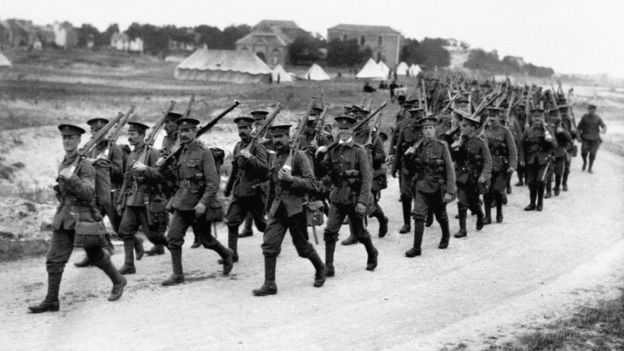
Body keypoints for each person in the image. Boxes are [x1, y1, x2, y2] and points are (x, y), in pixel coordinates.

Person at [29, 124, 126, 313]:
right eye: (64, 138)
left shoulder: (86, 165)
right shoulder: (65, 162)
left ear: (79, 140)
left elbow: (89, 193)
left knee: (95, 255)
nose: (67, 141)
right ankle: (51, 301)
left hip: (82, 218)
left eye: (71, 138)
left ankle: (118, 280)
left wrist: (71, 178)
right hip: (65, 216)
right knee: (54, 260)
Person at [158, 118, 234, 285]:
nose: (183, 134)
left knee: (206, 240)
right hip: (181, 202)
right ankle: (178, 275)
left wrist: (203, 203)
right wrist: (163, 166)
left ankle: (226, 254)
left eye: (187, 131)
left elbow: (213, 183)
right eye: (181, 131)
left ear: (194, 132)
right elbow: (175, 177)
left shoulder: (204, 153)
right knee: (173, 238)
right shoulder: (180, 151)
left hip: (197, 205)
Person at [253, 125, 326, 296]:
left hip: (296, 210)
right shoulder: (274, 157)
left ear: (289, 137)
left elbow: (311, 183)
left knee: (302, 248)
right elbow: (272, 185)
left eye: (280, 137)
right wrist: (268, 207)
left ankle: (320, 268)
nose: (277, 140)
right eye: (275, 137)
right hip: (277, 209)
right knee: (269, 245)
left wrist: (292, 179)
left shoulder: (299, 157)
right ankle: (270, 284)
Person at [317, 116, 378, 277]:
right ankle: (328, 266)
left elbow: (367, 178)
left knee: (359, 232)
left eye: (346, 129)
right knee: (330, 231)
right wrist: (319, 156)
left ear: (352, 130)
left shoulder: (359, 151)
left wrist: (363, 201)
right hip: (337, 197)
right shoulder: (333, 149)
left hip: (354, 198)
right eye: (340, 129)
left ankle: (372, 253)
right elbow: (325, 171)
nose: (343, 132)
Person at [116, 121, 170, 274]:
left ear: (142, 135)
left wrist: (146, 169)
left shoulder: (153, 153)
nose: (130, 137)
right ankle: (129, 265)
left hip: (147, 200)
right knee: (125, 231)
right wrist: (121, 201)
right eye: (129, 134)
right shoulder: (132, 154)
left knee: (154, 235)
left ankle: (174, 249)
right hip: (132, 200)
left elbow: (162, 176)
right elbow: (127, 179)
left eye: (133, 134)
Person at [73, 117, 124, 267]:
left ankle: (137, 243)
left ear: (106, 132)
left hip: (110, 193)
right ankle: (93, 255)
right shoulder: (90, 148)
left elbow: (119, 173)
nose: (96, 133)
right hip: (93, 193)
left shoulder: (114, 148)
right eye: (93, 130)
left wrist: (106, 164)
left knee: (120, 228)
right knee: (89, 227)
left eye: (99, 130)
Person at [403, 116, 456, 257]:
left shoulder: (442, 146)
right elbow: (410, 168)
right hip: (421, 186)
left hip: (437, 187)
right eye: (425, 128)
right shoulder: (418, 146)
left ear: (435, 129)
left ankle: (446, 236)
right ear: (422, 131)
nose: (428, 131)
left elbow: (450, 169)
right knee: (418, 216)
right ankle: (416, 248)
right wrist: (407, 156)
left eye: (430, 128)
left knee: (441, 215)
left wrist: (450, 190)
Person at [224, 116, 269, 262]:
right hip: (240, 191)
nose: (242, 131)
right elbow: (235, 169)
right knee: (232, 222)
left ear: (251, 129)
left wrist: (250, 157)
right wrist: (228, 187)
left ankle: (273, 244)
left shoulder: (258, 147)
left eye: (245, 128)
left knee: (262, 225)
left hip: (255, 192)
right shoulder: (237, 146)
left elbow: (265, 169)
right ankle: (232, 255)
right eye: (240, 129)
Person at [451, 114, 492, 238]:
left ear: (473, 127)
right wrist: (454, 149)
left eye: (465, 126)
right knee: (462, 202)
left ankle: (480, 215)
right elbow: (454, 159)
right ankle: (462, 229)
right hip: (461, 176)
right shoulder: (459, 140)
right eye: (462, 125)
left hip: (474, 177)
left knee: (474, 202)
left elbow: (488, 161)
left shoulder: (480, 142)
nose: (462, 128)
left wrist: (484, 176)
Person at [391, 107, 425, 234]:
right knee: (405, 196)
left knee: (421, 195)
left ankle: (424, 218)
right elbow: (399, 149)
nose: (417, 121)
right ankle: (406, 223)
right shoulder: (405, 131)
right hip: (407, 168)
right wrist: (394, 167)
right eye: (415, 118)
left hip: (421, 169)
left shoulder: (426, 132)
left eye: (419, 118)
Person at [483, 108, 517, 224]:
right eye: (490, 115)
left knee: (497, 190)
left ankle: (499, 212)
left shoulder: (505, 131)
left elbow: (512, 150)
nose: (491, 118)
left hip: (501, 166)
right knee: (487, 190)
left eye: (494, 116)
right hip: (487, 165)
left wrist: (512, 165)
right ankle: (487, 216)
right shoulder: (485, 130)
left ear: (499, 117)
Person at [519, 108, 557, 211]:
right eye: (535, 117)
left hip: (543, 160)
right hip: (531, 160)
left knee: (540, 181)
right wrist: (522, 158)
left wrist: (548, 138)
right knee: (531, 182)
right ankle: (532, 203)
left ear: (542, 118)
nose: (537, 119)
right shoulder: (527, 130)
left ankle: (540, 203)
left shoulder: (548, 129)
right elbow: (522, 144)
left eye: (539, 117)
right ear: (532, 118)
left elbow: (555, 145)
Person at [577, 103, 607, 173]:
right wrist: (578, 136)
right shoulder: (584, 117)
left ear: (594, 110)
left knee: (592, 154)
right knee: (583, 153)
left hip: (595, 139)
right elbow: (578, 127)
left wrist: (604, 129)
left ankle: (590, 168)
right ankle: (584, 162)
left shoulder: (598, 118)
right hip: (585, 139)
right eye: (589, 109)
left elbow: (603, 125)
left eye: (591, 109)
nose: (589, 111)